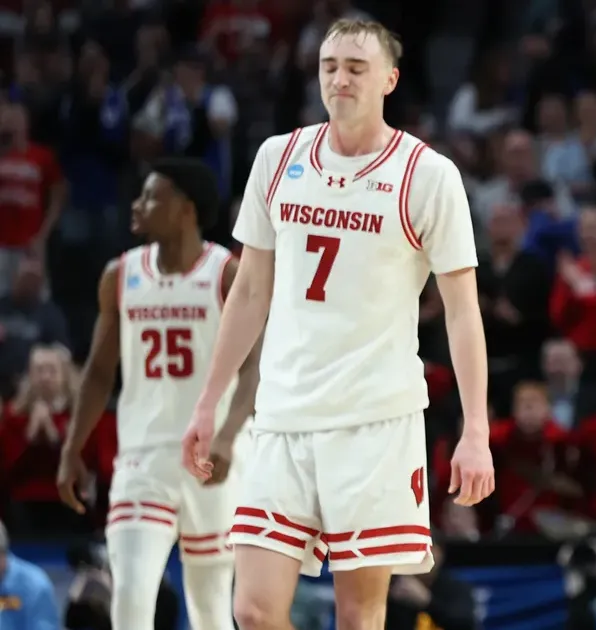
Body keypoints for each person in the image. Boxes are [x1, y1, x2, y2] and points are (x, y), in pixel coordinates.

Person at [183, 18, 495, 630]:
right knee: (252, 611)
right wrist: (208, 401)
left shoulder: (428, 175)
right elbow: (249, 290)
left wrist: (475, 430)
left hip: (374, 421)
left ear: (389, 80)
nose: (340, 79)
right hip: (282, 414)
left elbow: (463, 311)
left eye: (356, 68)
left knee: (358, 616)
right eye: (330, 67)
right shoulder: (277, 158)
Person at [56, 158, 256, 630]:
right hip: (142, 458)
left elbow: (254, 367)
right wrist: (72, 448)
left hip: (212, 456)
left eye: (151, 197)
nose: (137, 205)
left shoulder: (226, 274)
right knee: (130, 595)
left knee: (210, 608)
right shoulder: (121, 275)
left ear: (186, 209)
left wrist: (228, 437)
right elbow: (99, 371)